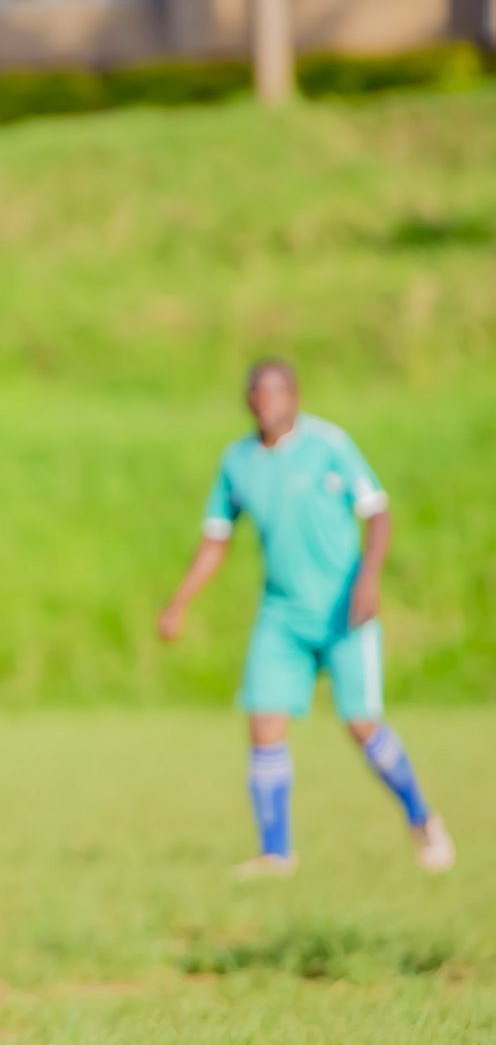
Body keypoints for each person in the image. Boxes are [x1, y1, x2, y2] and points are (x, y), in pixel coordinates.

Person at [158, 359, 453, 876]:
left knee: (362, 725)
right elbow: (216, 538)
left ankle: (421, 818)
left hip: (344, 610)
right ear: (248, 400)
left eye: (277, 391)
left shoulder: (328, 445)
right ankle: (276, 853)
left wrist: (368, 579)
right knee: (263, 723)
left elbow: (377, 512)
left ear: (295, 396)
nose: (266, 401)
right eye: (258, 392)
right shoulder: (238, 461)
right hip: (282, 616)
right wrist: (179, 601)